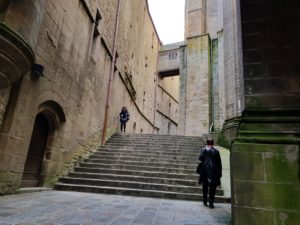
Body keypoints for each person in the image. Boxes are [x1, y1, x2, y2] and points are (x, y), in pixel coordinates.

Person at [198, 138, 222, 208]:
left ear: (207, 143)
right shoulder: (216, 151)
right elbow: (219, 163)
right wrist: (220, 173)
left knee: (205, 186)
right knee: (212, 188)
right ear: (213, 143)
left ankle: (205, 201)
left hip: (205, 170)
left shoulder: (203, 150)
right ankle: (211, 203)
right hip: (214, 171)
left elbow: (200, 158)